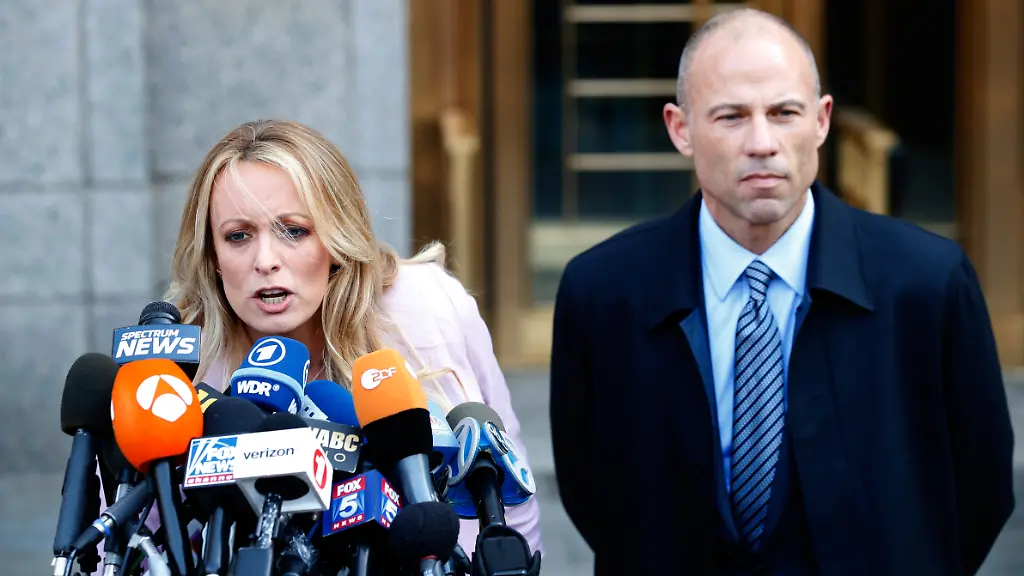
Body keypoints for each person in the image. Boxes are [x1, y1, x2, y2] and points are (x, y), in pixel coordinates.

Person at [550, 8, 1013, 575]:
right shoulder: (604, 292)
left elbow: (983, 485)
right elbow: (591, 489)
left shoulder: (926, 284)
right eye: (731, 116)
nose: (762, 143)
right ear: (680, 129)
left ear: (821, 121)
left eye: (784, 113)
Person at [159, 119, 543, 557]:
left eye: (294, 230)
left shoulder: (428, 307)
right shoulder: (183, 368)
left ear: (336, 238)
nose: (265, 260)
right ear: (212, 254)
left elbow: (513, 504)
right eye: (238, 236)